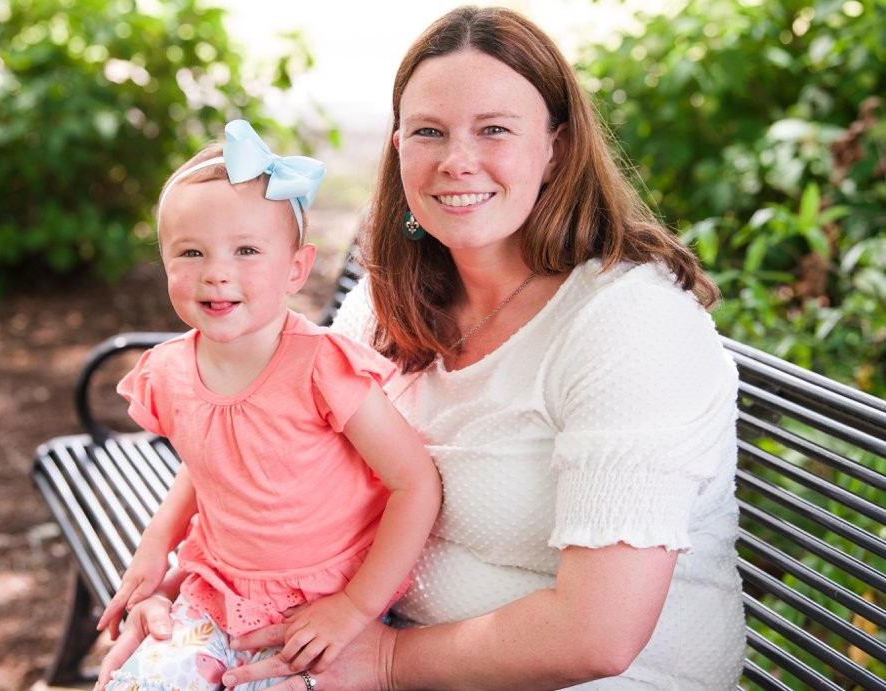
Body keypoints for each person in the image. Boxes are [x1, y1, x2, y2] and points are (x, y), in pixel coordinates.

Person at [100, 6, 746, 690]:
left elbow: (598, 636)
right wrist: (191, 590)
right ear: (399, 148)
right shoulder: (384, 304)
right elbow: (265, 447)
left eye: (494, 129)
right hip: (357, 638)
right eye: (428, 132)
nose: (456, 161)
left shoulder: (630, 324)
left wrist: (385, 661)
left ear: (555, 147)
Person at [94, 119, 442, 691]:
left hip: (324, 603)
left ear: (296, 269)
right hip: (217, 589)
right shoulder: (170, 370)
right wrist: (156, 548)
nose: (216, 273)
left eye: (247, 250)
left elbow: (415, 483)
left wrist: (354, 608)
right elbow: (205, 462)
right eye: (191, 252)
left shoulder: (322, 367)